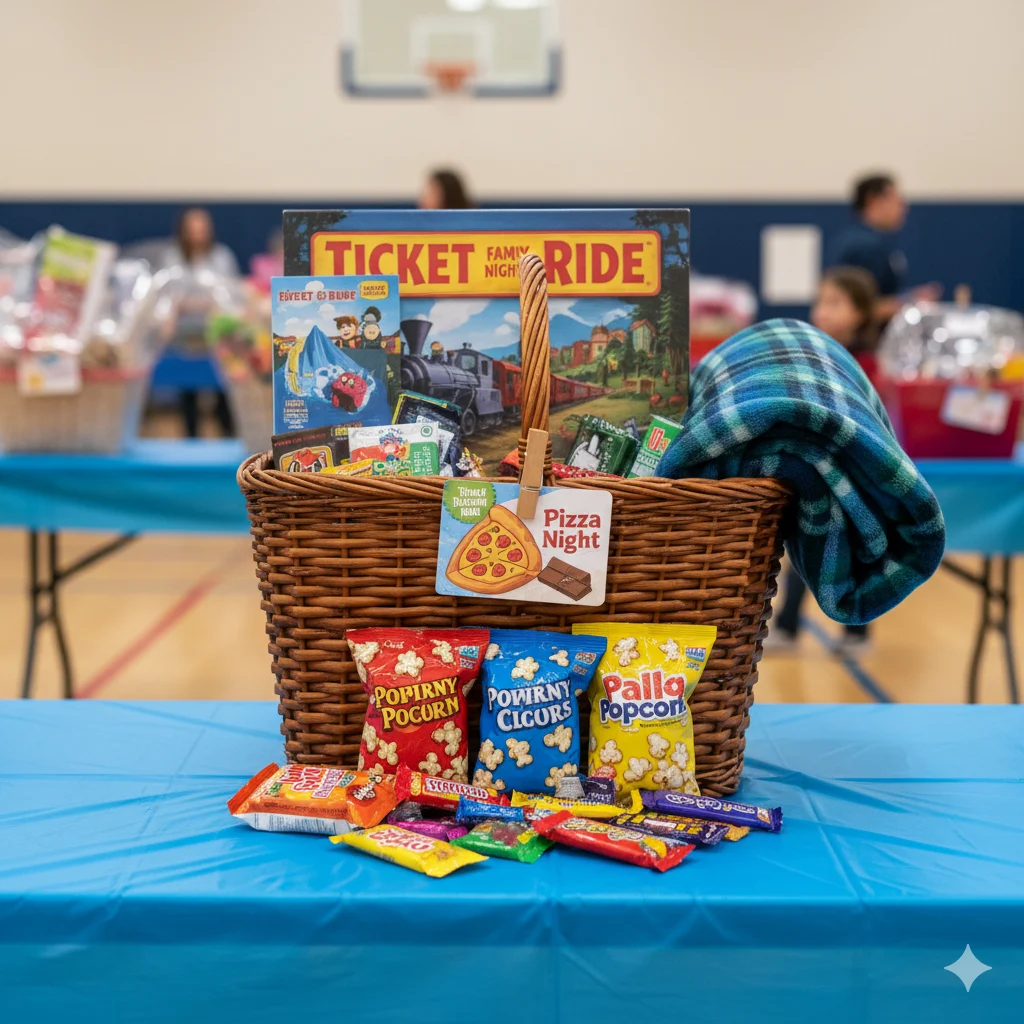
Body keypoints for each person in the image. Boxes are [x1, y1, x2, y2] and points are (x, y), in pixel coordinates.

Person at [771, 267, 878, 653]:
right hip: (817, 472)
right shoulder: (808, 354)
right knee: (804, 550)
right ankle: (787, 625)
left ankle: (858, 630)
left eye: (835, 302)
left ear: (861, 313)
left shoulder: (868, 363)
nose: (823, 311)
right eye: (820, 301)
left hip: (856, 477)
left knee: (860, 554)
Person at [161, 208, 240, 437]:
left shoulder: (221, 256)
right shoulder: (172, 257)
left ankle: (228, 435)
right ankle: (190, 435)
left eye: (202, 228)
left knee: (223, 388)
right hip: (184, 336)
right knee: (188, 386)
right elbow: (169, 296)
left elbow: (230, 294)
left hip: (217, 334)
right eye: (193, 228)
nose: (198, 234)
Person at [827, 173, 938, 326]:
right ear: (874, 201)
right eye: (896, 200)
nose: (903, 207)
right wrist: (911, 303)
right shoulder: (866, 247)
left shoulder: (856, 239)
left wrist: (909, 297)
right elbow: (864, 308)